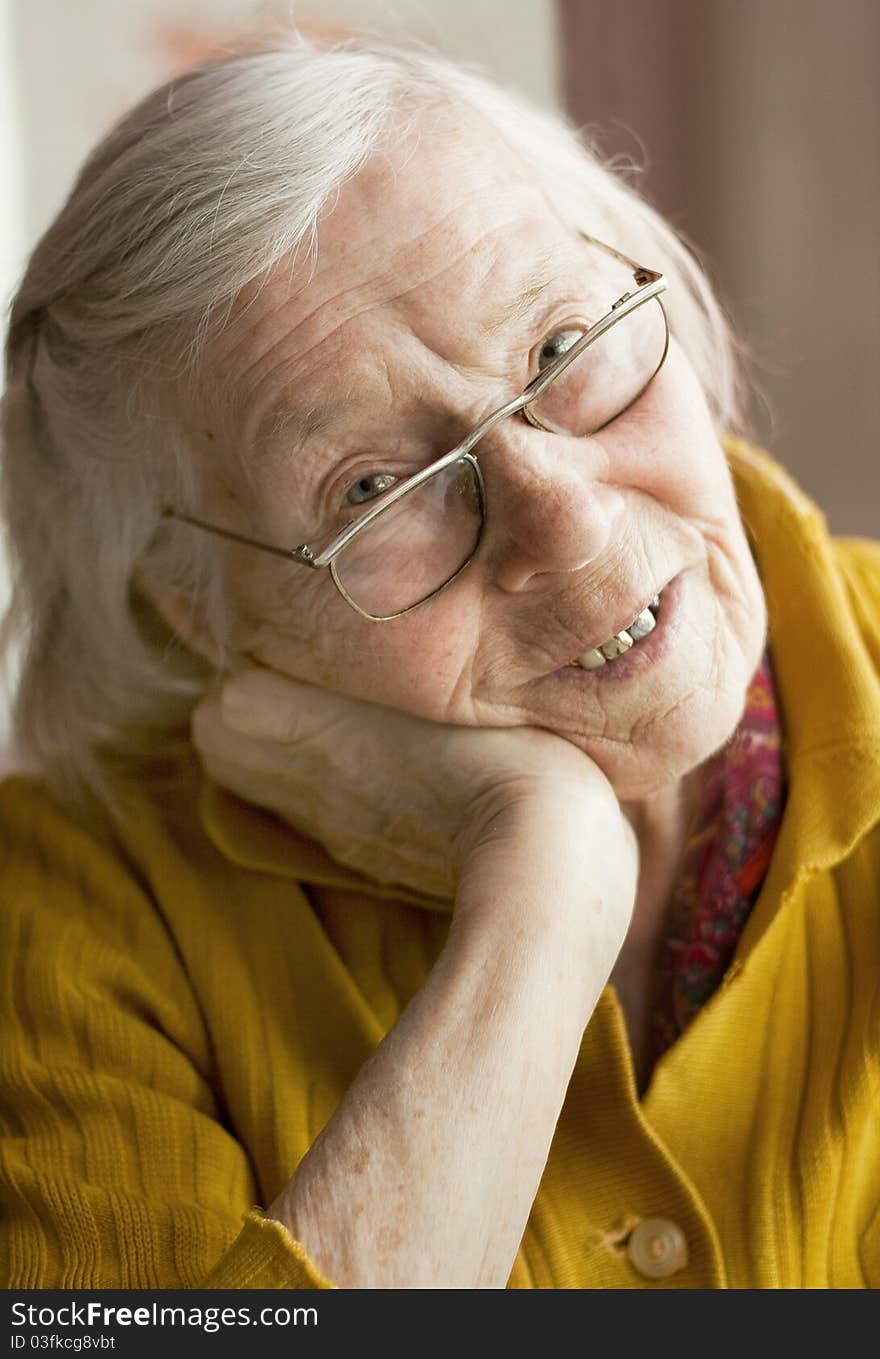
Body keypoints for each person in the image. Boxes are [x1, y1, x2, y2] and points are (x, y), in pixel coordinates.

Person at [1, 33, 878, 1292]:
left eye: (560, 351)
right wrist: (540, 901)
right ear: (205, 614)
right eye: (376, 487)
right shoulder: (70, 912)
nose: (564, 519)